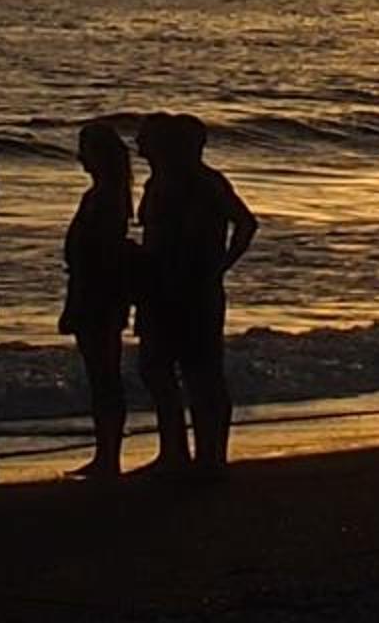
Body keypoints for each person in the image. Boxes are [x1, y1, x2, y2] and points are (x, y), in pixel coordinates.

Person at [134, 111, 258, 480]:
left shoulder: (204, 182)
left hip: (193, 289)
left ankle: (210, 456)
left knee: (200, 372)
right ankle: (175, 451)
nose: (139, 145)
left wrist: (221, 265)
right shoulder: (159, 181)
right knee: (157, 367)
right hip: (160, 288)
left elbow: (246, 223)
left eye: (147, 139)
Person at [59, 118, 135, 481]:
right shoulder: (108, 194)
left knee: (103, 374)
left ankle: (108, 455)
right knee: (102, 374)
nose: (80, 157)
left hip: (98, 293)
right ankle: (105, 453)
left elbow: (102, 251)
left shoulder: (105, 197)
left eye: (85, 150)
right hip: (96, 290)